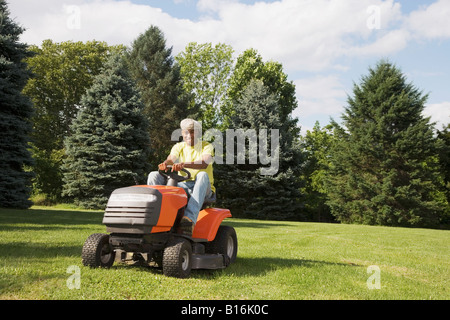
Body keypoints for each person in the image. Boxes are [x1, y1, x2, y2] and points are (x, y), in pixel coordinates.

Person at [147, 119, 215, 236]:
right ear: (182, 134)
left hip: (203, 188)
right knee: (154, 174)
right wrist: (166, 164)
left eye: (192, 132)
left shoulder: (206, 146)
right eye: (186, 132)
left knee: (202, 175)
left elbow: (204, 163)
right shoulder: (179, 146)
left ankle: (188, 220)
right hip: (182, 186)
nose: (189, 135)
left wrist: (184, 164)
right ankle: (152, 215)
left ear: (198, 133)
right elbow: (170, 159)